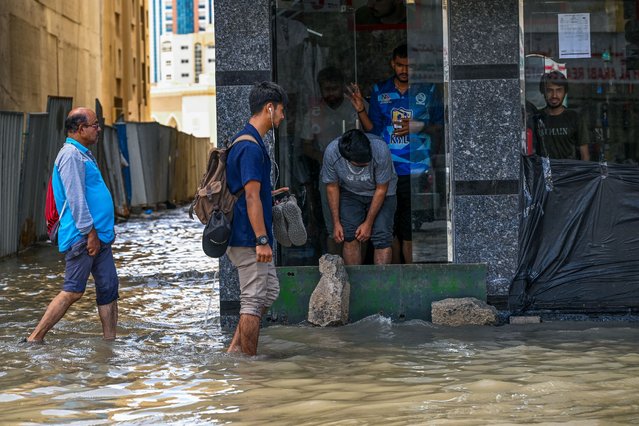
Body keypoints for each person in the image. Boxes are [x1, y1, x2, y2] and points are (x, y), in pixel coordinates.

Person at [26, 107, 119, 342]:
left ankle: (110, 343)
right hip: (84, 235)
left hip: (99, 236)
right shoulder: (70, 155)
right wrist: (90, 233)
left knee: (108, 290)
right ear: (80, 129)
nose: (98, 129)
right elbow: (76, 199)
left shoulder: (84, 153)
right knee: (73, 290)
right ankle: (35, 338)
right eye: (95, 125)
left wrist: (100, 232)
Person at [352, 43, 444, 264]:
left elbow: (441, 128)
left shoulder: (429, 90)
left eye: (409, 66)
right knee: (388, 227)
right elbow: (372, 130)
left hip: (418, 170)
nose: (404, 70)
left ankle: (411, 278)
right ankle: (393, 280)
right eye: (400, 65)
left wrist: (419, 126)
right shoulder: (379, 90)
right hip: (387, 170)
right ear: (393, 63)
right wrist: (361, 110)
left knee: (411, 229)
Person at [225, 81, 289, 356]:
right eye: (282, 111)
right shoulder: (250, 146)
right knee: (252, 302)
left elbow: (252, 192)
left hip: (247, 234)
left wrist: (269, 195)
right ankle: (249, 369)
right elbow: (251, 197)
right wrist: (262, 240)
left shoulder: (247, 140)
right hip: (249, 238)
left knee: (269, 292)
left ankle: (233, 352)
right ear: (269, 108)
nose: (283, 117)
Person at [300, 66, 366, 254]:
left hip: (359, 173)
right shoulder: (314, 113)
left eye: (334, 89)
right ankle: (334, 272)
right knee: (333, 228)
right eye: (326, 89)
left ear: (342, 87)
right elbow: (305, 145)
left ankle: (361, 270)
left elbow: (371, 133)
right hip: (329, 175)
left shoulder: (355, 105)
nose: (330, 93)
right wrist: (324, 158)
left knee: (361, 226)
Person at [321, 129, 397, 265]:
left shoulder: (380, 149)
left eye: (366, 163)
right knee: (349, 235)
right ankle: (354, 284)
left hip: (382, 192)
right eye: (360, 165)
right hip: (350, 193)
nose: (364, 166)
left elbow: (381, 189)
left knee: (382, 237)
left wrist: (368, 223)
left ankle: (381, 284)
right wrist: (336, 223)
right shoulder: (332, 153)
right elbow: (332, 187)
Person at [535, 71, 590, 161]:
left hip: (570, 172)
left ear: (565, 92)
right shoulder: (536, 118)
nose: (554, 95)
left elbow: (585, 155)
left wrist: (582, 174)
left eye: (559, 90)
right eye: (549, 90)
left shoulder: (575, 118)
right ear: (543, 92)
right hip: (543, 172)